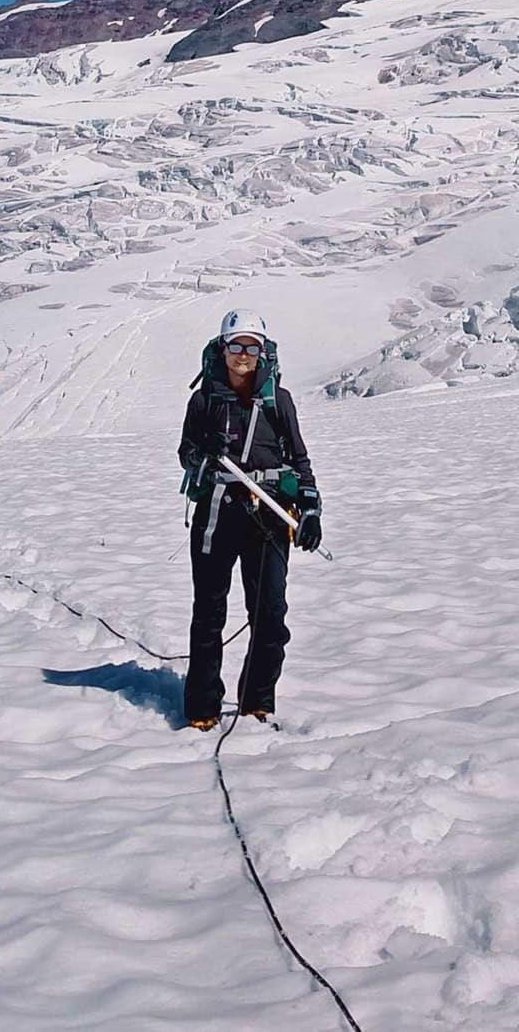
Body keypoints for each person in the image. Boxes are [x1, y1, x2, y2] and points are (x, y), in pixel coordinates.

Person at [176, 310, 322, 730]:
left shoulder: (280, 399)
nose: (243, 355)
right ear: (222, 349)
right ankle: (202, 706)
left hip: (270, 517)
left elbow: (298, 456)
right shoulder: (204, 400)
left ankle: (257, 701)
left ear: (264, 352)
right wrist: (203, 455)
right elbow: (185, 452)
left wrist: (311, 507)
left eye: (251, 347)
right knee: (208, 613)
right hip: (217, 514)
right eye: (236, 346)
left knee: (270, 613)